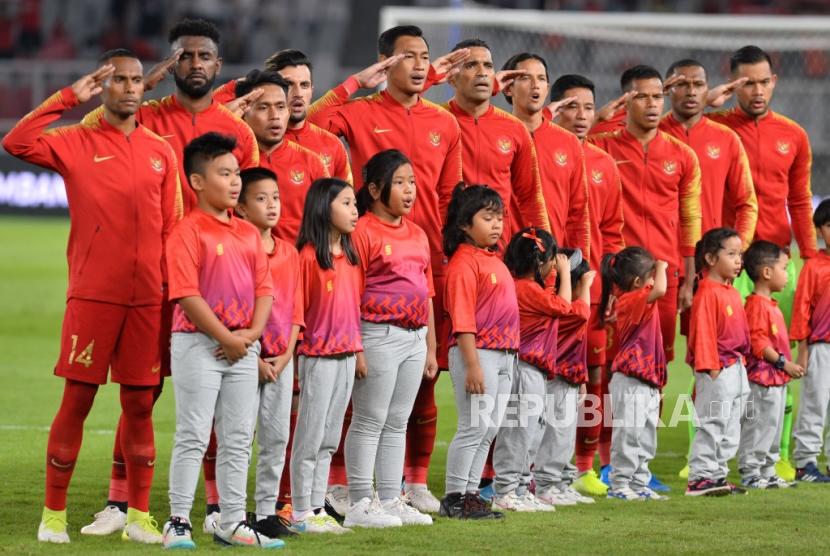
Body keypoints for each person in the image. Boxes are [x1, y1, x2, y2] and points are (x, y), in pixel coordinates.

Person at [86, 19, 260, 533]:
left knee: (217, 401)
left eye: (204, 56)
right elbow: (102, 122)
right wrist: (146, 84)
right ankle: (121, 503)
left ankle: (212, 505)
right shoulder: (148, 116)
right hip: (150, 283)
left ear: (218, 65)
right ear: (171, 64)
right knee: (142, 393)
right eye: (185, 56)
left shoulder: (238, 133)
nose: (196, 64)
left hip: (214, 290)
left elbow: (243, 210)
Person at [2, 49, 181, 545]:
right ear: (102, 87)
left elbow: (173, 227)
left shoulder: (160, 150)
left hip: (148, 299)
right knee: (77, 400)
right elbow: (16, 142)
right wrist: (65, 98)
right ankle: (53, 516)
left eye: (135, 80)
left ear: (145, 88)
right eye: (117, 80)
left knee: (141, 406)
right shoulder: (74, 141)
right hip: (93, 296)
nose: (127, 87)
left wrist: (174, 291)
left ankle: (139, 516)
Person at [308, 25, 463, 513]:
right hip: (372, 263)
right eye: (407, 57)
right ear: (383, 62)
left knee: (417, 396)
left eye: (425, 57)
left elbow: (449, 198)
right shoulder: (358, 113)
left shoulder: (444, 123)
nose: (419, 65)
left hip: (425, 263)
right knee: (362, 401)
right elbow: (313, 121)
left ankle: (408, 486)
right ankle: (344, 488)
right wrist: (356, 82)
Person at [161, 133, 277, 549]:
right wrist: (227, 337)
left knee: (238, 437)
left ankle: (232, 520)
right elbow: (186, 294)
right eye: (224, 173)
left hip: (242, 347)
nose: (234, 182)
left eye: (236, 174)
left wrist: (250, 335)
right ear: (195, 181)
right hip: (197, 344)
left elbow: (265, 288)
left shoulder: (247, 233)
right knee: (193, 434)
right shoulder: (187, 231)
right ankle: (177, 522)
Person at [710, 46, 818, 481]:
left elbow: (798, 199)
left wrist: (810, 259)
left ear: (775, 80)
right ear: (734, 83)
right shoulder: (713, 127)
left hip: (778, 264)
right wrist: (710, 103)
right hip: (728, 264)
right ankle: (711, 452)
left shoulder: (793, 134)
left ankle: (778, 454)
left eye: (764, 81)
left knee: (785, 358)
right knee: (723, 360)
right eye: (747, 83)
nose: (757, 91)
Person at [344, 149, 436, 528]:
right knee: (369, 420)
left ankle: (388, 498)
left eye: (412, 182)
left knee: (398, 421)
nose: (409, 191)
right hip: (377, 334)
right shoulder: (362, 230)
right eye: (400, 183)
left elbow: (427, 292)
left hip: (414, 337)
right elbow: (350, 292)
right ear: (375, 188)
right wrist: (357, 348)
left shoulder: (417, 233)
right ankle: (359, 503)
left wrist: (429, 346)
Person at [588, 65, 702, 365]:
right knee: (610, 365)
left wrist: (689, 278)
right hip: (619, 275)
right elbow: (559, 142)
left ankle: (652, 415)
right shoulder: (601, 146)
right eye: (642, 97)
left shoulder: (683, 155)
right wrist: (598, 118)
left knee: (656, 367)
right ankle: (609, 416)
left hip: (665, 275)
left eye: (657, 96)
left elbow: (690, 220)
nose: (652, 104)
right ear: (624, 101)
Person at [549, 74, 625, 496]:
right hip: (542, 286)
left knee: (592, 375)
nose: (581, 116)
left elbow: (612, 231)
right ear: (555, 108)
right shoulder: (537, 151)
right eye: (571, 106)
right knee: (536, 376)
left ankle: (583, 466)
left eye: (587, 107)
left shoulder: (603, 163)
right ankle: (519, 467)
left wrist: (611, 287)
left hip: (591, 286)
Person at [439, 184, 516, 520]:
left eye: (499, 217)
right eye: (487, 218)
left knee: (489, 429)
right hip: (479, 353)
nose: (496, 224)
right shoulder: (462, 263)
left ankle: (471, 494)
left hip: (502, 354)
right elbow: (462, 319)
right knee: (474, 426)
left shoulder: (492, 258)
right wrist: (472, 365)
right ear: (465, 225)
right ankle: (454, 495)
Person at [289, 178, 362, 534]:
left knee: (330, 438)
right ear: (324, 208)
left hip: (346, 357)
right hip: (318, 357)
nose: (355, 211)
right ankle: (301, 510)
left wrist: (358, 352)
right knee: (310, 437)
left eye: (354, 204)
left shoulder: (349, 256)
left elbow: (354, 308)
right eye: (347, 204)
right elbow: (296, 314)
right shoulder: (306, 258)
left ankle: (317, 507)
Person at [234, 167, 303, 538]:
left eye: (275, 197)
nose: (272, 205)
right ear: (241, 208)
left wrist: (288, 353)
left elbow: (297, 310)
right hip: (247, 357)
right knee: (240, 436)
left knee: (276, 437)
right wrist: (254, 357)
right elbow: (232, 307)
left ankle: (265, 511)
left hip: (282, 358)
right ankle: (230, 510)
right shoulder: (237, 251)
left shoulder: (289, 253)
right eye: (261, 199)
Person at [491, 228, 570, 512]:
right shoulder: (526, 289)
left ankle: (521, 488)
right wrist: (566, 274)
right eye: (552, 260)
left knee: (530, 432)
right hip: (525, 368)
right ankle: (506, 490)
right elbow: (563, 306)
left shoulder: (527, 288)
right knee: (518, 432)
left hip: (532, 369)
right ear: (541, 262)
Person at [443, 40, 550, 248]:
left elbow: (530, 199)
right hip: (445, 249)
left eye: (488, 66)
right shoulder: (437, 120)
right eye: (471, 65)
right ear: (451, 78)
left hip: (499, 253)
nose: (482, 72)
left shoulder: (515, 129)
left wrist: (545, 251)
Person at [212, 48, 352, 182]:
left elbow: (343, 201)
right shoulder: (251, 142)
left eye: (304, 85)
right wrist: (246, 82)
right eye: (288, 84)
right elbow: (205, 113)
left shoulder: (332, 145)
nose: (298, 93)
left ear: (311, 90)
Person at [501, 53, 590, 255]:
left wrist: (579, 266)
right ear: (507, 88)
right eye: (525, 78)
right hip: (505, 259)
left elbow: (578, 214)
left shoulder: (568, 143)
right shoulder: (495, 135)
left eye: (541, 79)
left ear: (547, 88)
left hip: (553, 261)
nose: (535, 85)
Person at [599, 248, 668, 501]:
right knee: (629, 433)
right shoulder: (631, 299)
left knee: (646, 435)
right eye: (651, 275)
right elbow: (660, 288)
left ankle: (639, 482)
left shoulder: (639, 297)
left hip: (646, 377)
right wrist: (662, 266)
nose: (656, 279)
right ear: (639, 282)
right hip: (630, 378)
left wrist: (656, 269)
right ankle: (619, 485)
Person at [685, 228, 750, 496]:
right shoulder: (707, 293)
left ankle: (718, 475)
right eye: (732, 254)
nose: (738, 261)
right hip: (717, 369)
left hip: (735, 367)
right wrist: (710, 367)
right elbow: (703, 332)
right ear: (711, 259)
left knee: (732, 424)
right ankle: (700, 477)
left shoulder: (731, 292)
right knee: (712, 422)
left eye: (740, 255)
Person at [532, 248, 597, 507]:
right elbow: (583, 311)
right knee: (556, 434)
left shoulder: (566, 307)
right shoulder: (565, 310)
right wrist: (582, 284)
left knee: (565, 434)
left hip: (569, 378)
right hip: (556, 380)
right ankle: (546, 484)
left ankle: (559, 482)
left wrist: (582, 381)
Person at [235, 69, 329, 242]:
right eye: (263, 108)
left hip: (301, 266)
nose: (274, 116)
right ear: (243, 113)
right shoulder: (233, 164)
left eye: (280, 107)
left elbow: (328, 226)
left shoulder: (312, 162)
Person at [738, 240, 803, 488]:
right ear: (766, 272)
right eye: (784, 268)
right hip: (762, 381)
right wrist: (784, 363)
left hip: (775, 380)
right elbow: (758, 342)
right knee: (758, 425)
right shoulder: (755, 305)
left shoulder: (769, 304)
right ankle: (751, 471)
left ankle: (767, 469)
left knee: (772, 426)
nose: (787, 274)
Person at [790, 199, 830, 482]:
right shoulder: (813, 267)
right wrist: (803, 351)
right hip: (821, 348)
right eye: (829, 226)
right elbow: (801, 310)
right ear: (818, 231)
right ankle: (805, 462)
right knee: (815, 403)